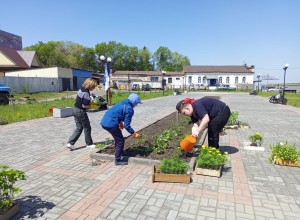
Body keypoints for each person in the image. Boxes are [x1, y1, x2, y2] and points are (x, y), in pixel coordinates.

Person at [100, 93, 142, 165]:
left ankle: (120, 152)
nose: (137, 105)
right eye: (137, 103)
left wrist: (120, 123)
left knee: (118, 139)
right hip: (110, 124)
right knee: (120, 140)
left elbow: (117, 113)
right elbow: (127, 126)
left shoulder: (123, 102)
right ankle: (118, 160)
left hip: (105, 121)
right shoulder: (129, 109)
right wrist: (134, 134)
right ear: (134, 102)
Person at [67, 78, 98, 150]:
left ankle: (70, 143)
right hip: (81, 111)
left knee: (79, 127)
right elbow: (85, 105)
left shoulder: (81, 89)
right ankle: (89, 144)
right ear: (90, 85)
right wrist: (94, 106)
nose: (93, 88)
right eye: (93, 86)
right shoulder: (86, 93)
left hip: (75, 109)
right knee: (87, 127)